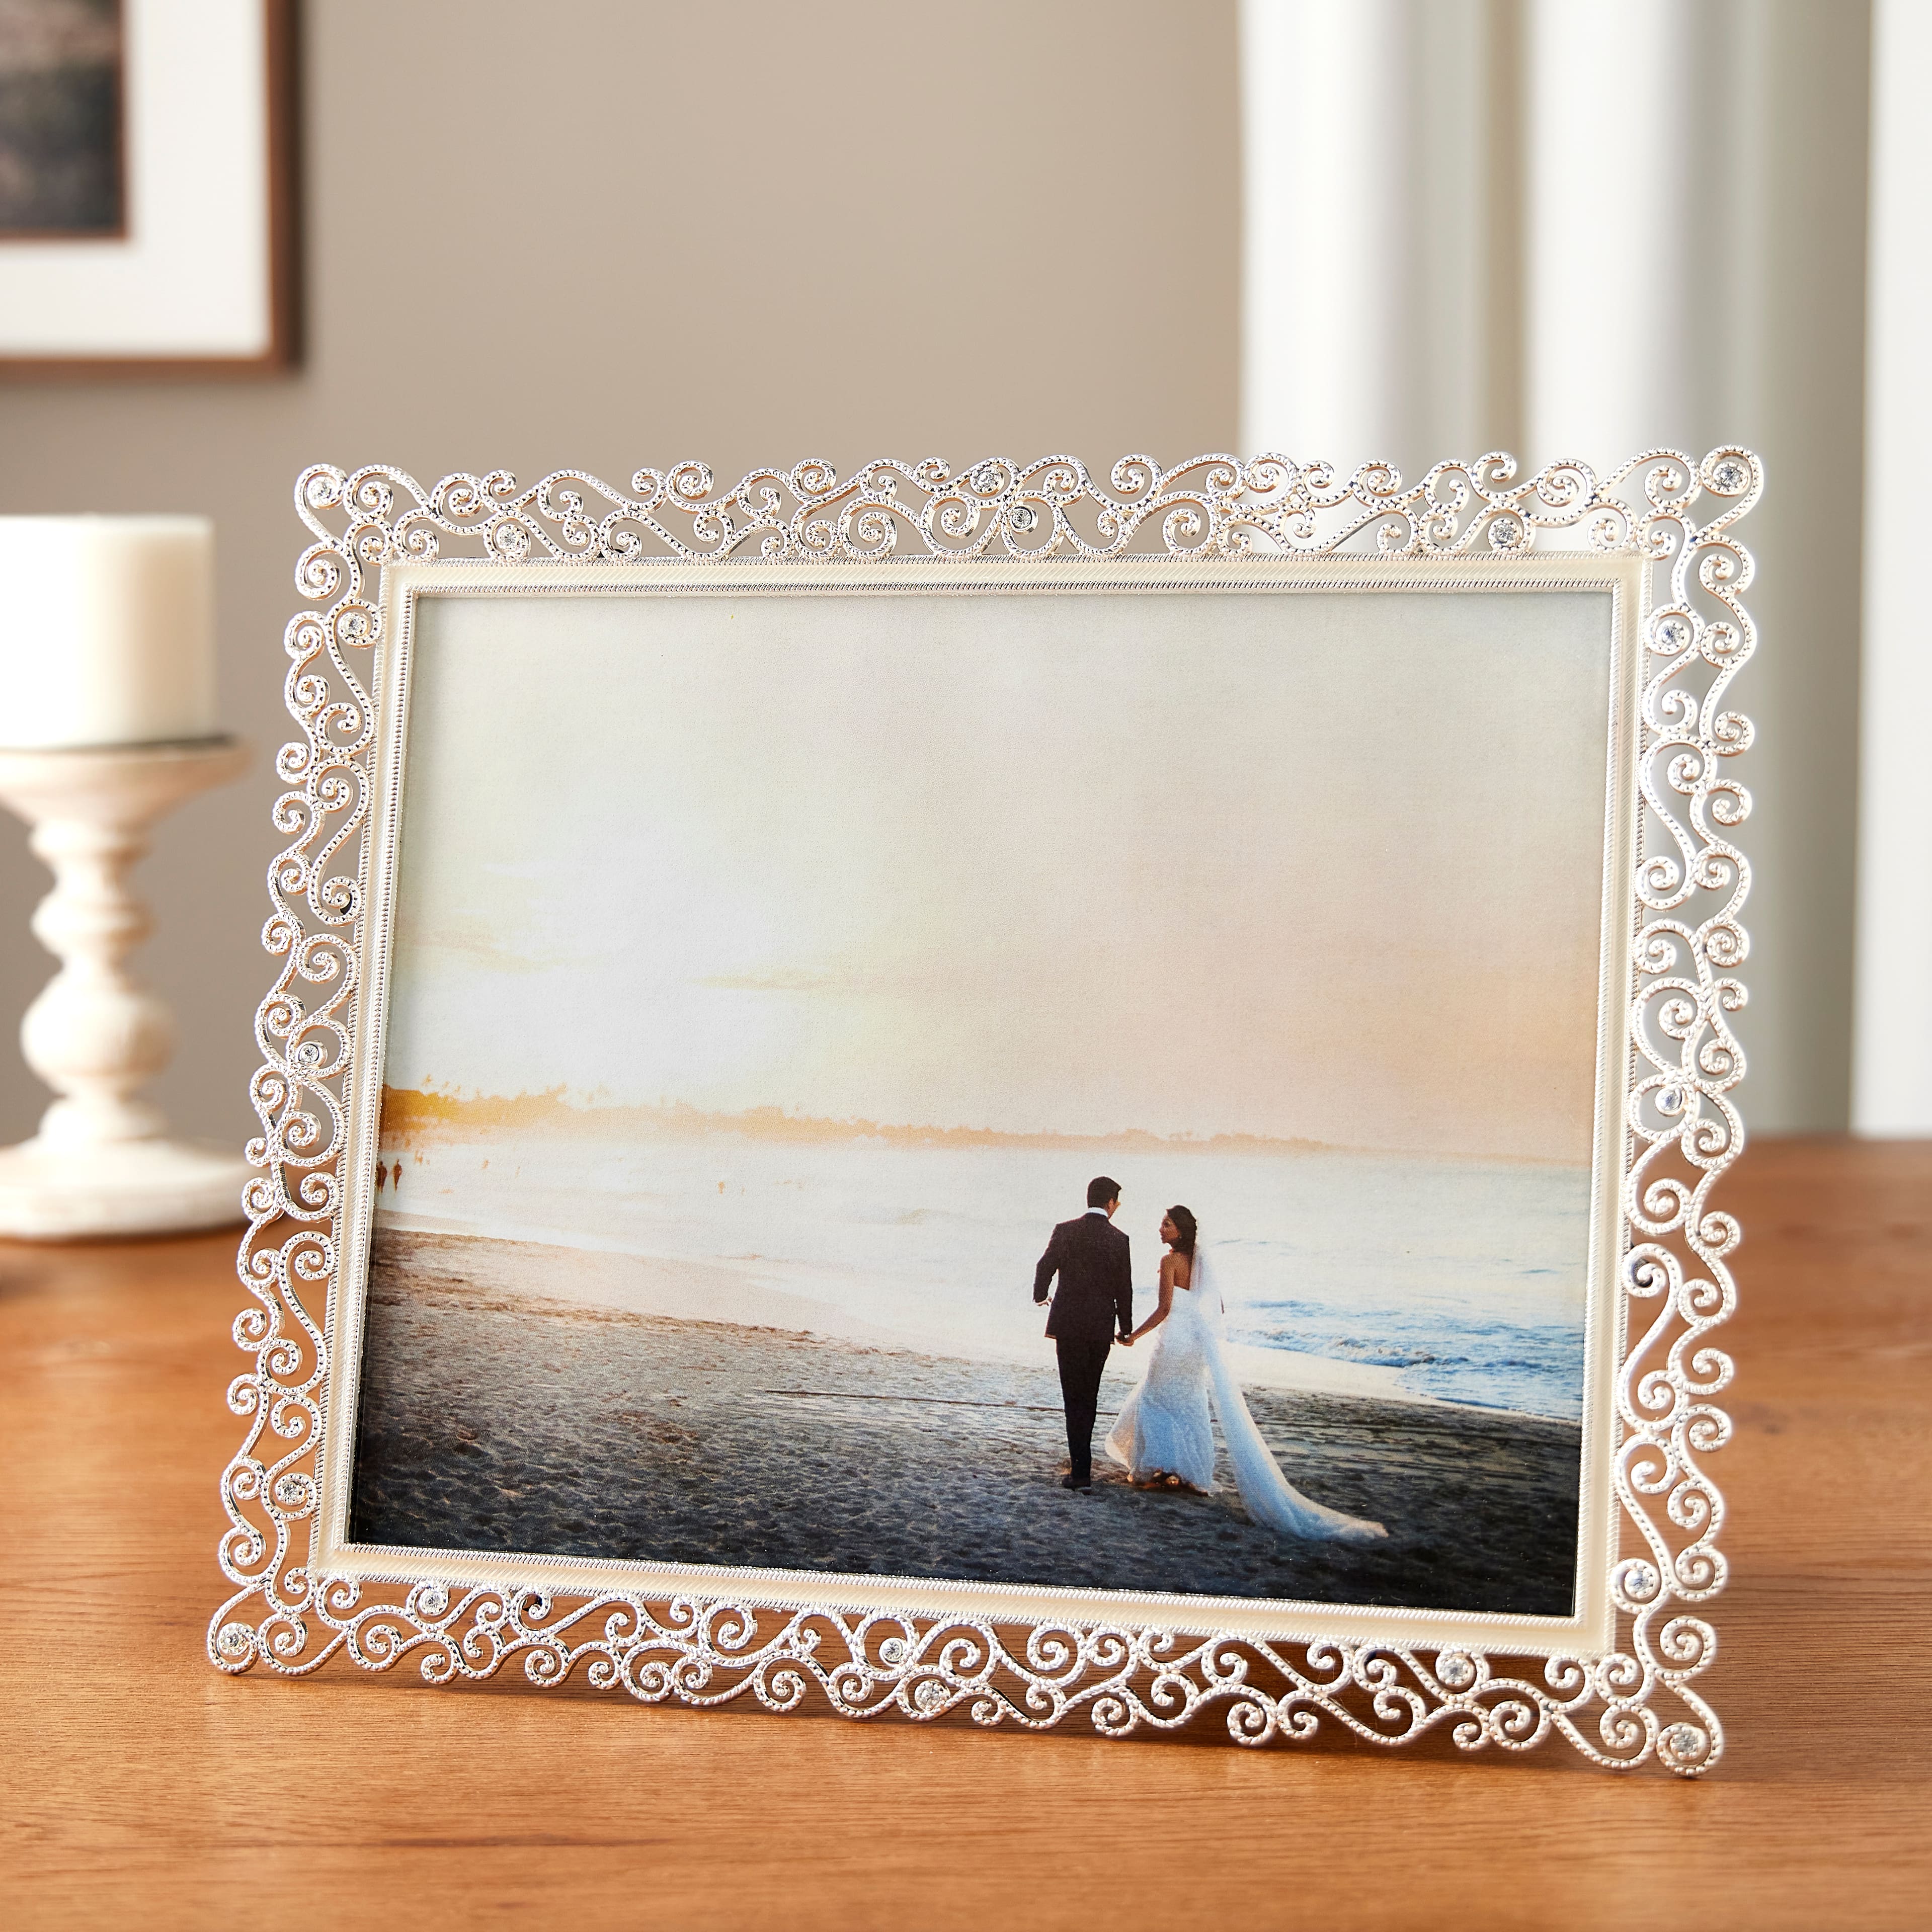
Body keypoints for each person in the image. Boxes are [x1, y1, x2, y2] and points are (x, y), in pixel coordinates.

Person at [1106, 1205, 1388, 1542]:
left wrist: (1134, 1336)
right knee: (1189, 1403)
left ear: (1180, 1230)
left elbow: (1165, 1308)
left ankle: (1161, 1469)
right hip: (1195, 1344)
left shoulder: (1170, 1262)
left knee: (1156, 1399)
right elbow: (1218, 1307)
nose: (1160, 1229)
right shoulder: (1201, 1263)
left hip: (1174, 1342)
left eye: (1166, 1224)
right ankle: (1184, 1473)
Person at [1032, 1176, 1134, 1490]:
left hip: (1069, 1325)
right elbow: (1125, 1289)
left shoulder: (1065, 1230)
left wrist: (1040, 1296)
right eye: (1117, 1203)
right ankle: (1082, 1469)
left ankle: (1081, 1471)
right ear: (1110, 1203)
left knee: (1072, 1396)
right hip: (1101, 1328)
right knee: (1089, 1396)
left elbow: (1044, 1266)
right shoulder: (1120, 1239)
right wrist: (1126, 1328)